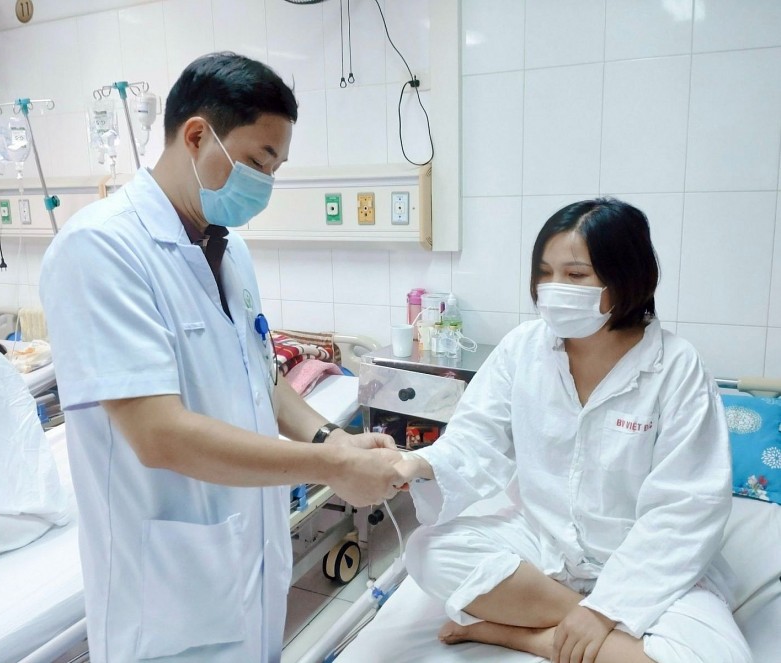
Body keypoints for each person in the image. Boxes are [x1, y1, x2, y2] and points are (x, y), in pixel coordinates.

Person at [39, 52, 403, 663]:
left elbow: (265, 378)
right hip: (167, 591)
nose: (265, 184)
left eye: (276, 169)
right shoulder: (100, 248)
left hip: (248, 565)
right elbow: (158, 435)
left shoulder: (229, 252)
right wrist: (328, 468)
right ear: (196, 136)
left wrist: (331, 440)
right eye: (258, 162)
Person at [393, 199, 752, 663]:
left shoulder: (677, 368)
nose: (554, 288)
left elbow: (686, 507)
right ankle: (588, 628)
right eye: (545, 273)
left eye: (576, 275)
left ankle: (525, 635)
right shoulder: (523, 349)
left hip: (643, 559)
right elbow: (476, 438)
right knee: (428, 551)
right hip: (545, 541)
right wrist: (416, 464)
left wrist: (610, 606)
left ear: (625, 278)